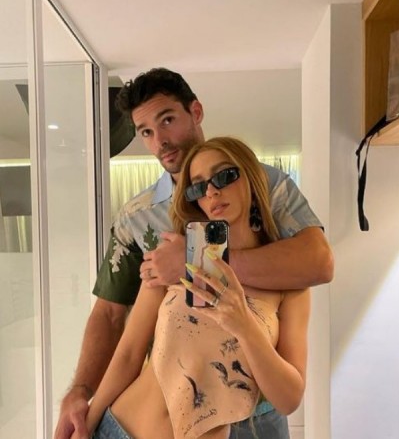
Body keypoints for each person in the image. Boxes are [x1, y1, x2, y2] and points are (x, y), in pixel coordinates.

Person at [55, 68, 333, 439]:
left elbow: (318, 263)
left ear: (195, 112)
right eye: (145, 132)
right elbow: (111, 318)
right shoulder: (138, 218)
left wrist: (197, 264)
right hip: (139, 417)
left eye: (167, 120)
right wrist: (81, 395)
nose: (160, 141)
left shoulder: (270, 186)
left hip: (252, 415)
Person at [79, 136, 308, 438]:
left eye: (224, 176)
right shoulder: (173, 260)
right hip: (120, 429)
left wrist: (243, 324)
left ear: (252, 180)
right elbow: (129, 354)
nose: (211, 191)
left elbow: (289, 399)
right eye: (198, 187)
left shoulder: (289, 284)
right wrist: (86, 425)